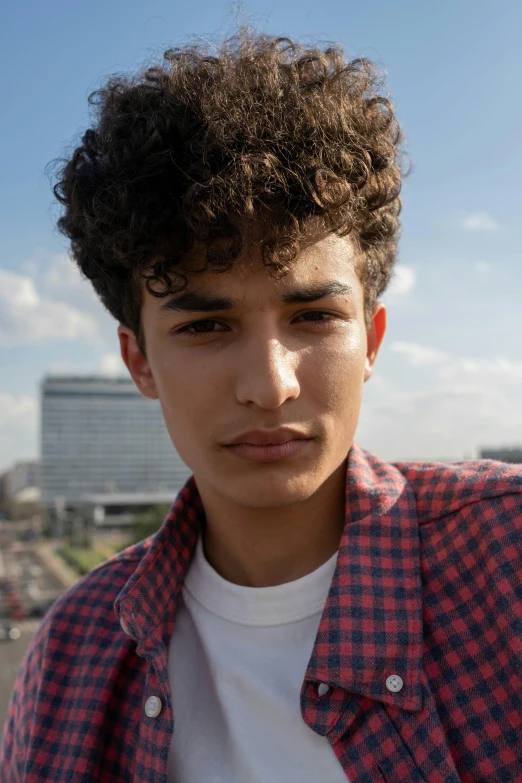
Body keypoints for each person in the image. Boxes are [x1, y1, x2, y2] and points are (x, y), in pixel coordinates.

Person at [2, 30, 522, 783]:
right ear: (139, 361)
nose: (270, 383)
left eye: (314, 317)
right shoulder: (72, 654)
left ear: (372, 339)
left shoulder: (504, 559)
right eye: (207, 326)